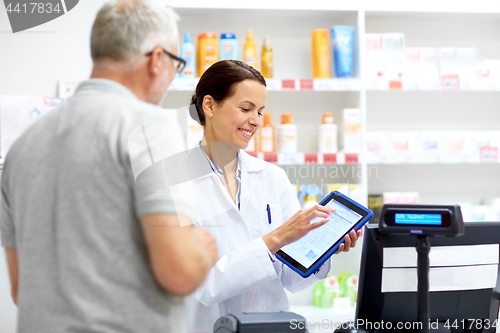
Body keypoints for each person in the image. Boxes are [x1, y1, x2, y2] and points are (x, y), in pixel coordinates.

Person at [0, 1, 217, 332]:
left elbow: (20, 289)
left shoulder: (23, 146)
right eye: (177, 64)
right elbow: (179, 272)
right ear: (158, 59)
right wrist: (200, 250)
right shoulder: (149, 125)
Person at [183, 60, 362, 332]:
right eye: (245, 108)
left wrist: (322, 251)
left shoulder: (271, 177)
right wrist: (274, 240)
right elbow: (200, 284)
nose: (255, 121)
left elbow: (290, 277)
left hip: (272, 325)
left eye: (260, 111)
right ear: (209, 105)